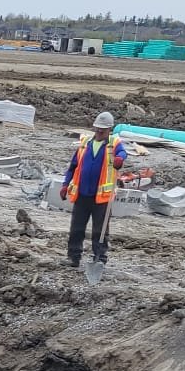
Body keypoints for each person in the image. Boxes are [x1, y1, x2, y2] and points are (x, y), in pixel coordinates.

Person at [61, 110, 127, 278]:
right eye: (97, 129)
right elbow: (73, 166)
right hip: (82, 195)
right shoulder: (85, 143)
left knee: (100, 231)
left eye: (103, 130)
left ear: (109, 130)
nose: (99, 132)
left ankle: (99, 258)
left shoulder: (114, 143)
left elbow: (122, 153)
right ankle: (73, 257)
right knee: (76, 228)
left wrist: (120, 159)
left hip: (101, 198)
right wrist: (65, 184)